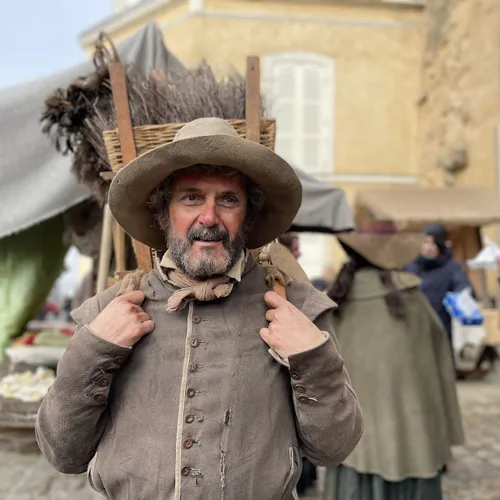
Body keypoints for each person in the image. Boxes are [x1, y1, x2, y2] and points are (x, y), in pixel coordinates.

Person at [35, 118, 363, 499]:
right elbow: (62, 454)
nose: (209, 218)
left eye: (228, 200)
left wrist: (312, 357)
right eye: (191, 198)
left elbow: (334, 448)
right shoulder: (108, 312)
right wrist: (94, 350)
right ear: (163, 213)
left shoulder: (297, 308)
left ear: (248, 216)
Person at [324, 222, 464, 500]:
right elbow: (439, 365)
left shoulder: (335, 302)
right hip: (412, 440)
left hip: (353, 442)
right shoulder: (411, 299)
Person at [405, 223, 474, 347]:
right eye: (425, 242)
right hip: (414, 325)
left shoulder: (451, 267)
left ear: (440, 245)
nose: (428, 247)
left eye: (433, 243)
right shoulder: (410, 266)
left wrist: (464, 295)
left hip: (441, 326)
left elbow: (462, 285)